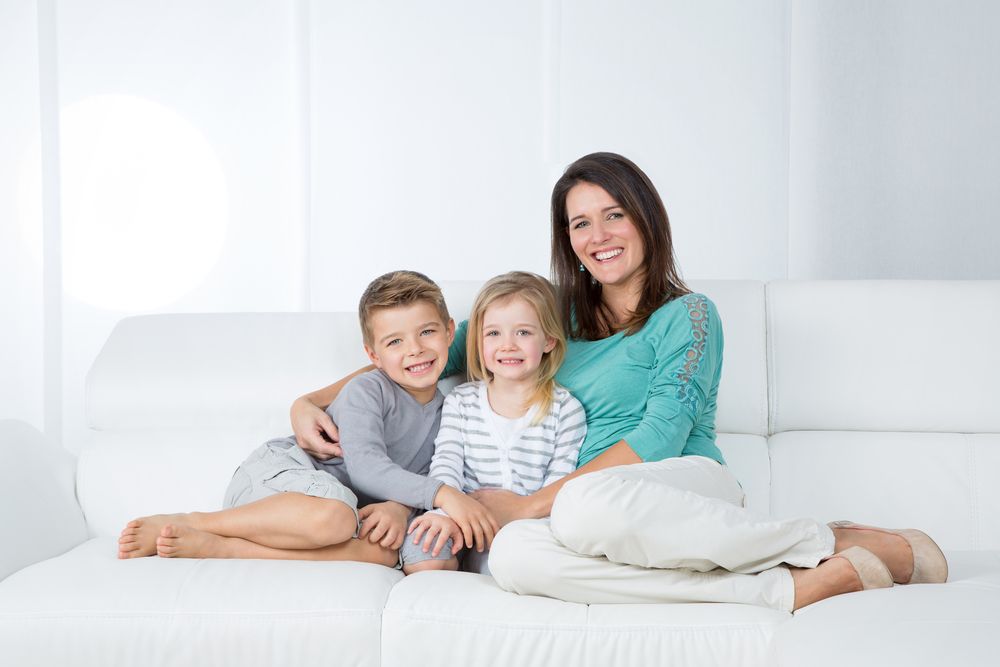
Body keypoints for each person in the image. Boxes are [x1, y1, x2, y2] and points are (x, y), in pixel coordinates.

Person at [289, 153, 948, 611]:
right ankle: (789, 585)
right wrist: (311, 400)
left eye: (613, 215)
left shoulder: (689, 316)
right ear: (566, 238)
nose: (598, 235)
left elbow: (662, 433)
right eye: (580, 223)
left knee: (575, 508)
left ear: (645, 218)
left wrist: (526, 502)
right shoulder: (547, 316)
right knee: (515, 560)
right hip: (574, 515)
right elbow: (432, 349)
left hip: (675, 482)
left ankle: (824, 539)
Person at [118, 270, 498, 574]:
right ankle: (199, 521)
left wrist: (400, 508)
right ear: (373, 354)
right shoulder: (368, 389)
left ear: (450, 331)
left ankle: (226, 548)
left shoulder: (450, 412)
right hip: (283, 481)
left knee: (383, 555)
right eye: (395, 341)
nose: (415, 349)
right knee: (334, 516)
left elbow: (422, 475)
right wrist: (444, 495)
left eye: (427, 332)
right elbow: (367, 469)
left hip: (338, 512)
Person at [407, 272, 587, 573]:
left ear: (549, 340)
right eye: (494, 334)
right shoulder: (460, 401)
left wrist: (522, 522)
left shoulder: (566, 410)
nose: (508, 345)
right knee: (426, 551)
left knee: (516, 565)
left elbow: (557, 484)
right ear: (478, 341)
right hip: (461, 520)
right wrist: (444, 512)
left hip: (525, 529)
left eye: (523, 333)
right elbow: (447, 462)